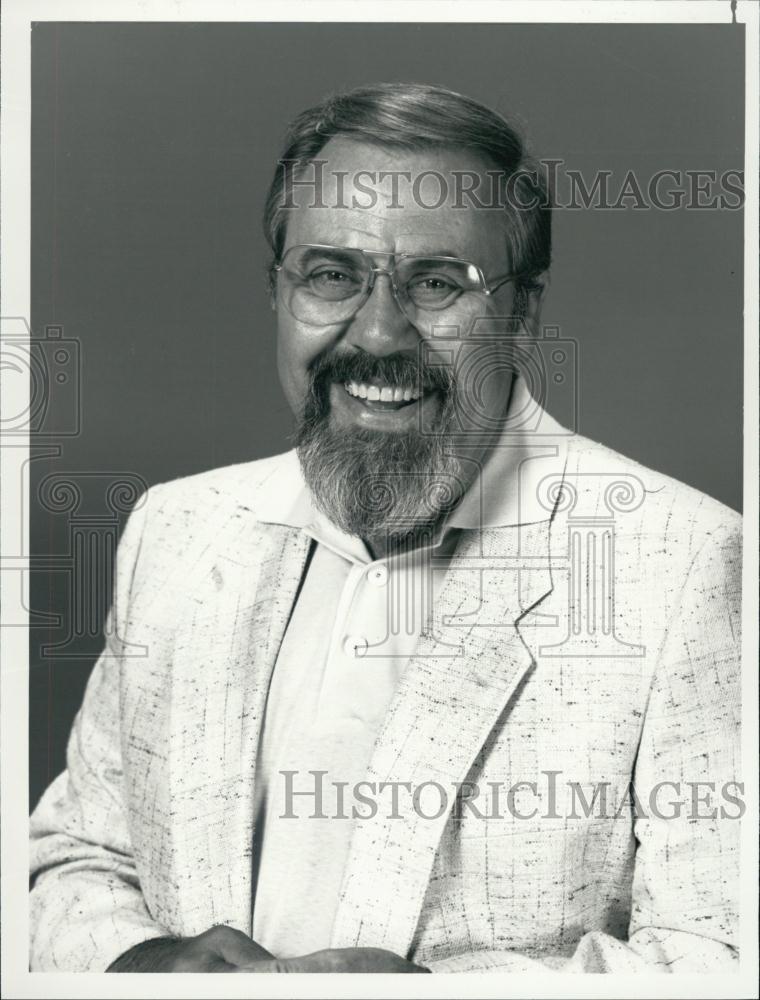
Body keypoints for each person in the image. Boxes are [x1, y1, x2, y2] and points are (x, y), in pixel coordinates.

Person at [29, 82, 742, 974]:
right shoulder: (177, 532)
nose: (376, 333)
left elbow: (722, 956)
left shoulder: (683, 566)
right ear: (279, 293)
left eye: (437, 283)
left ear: (522, 312)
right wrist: (148, 964)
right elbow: (74, 857)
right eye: (330, 275)